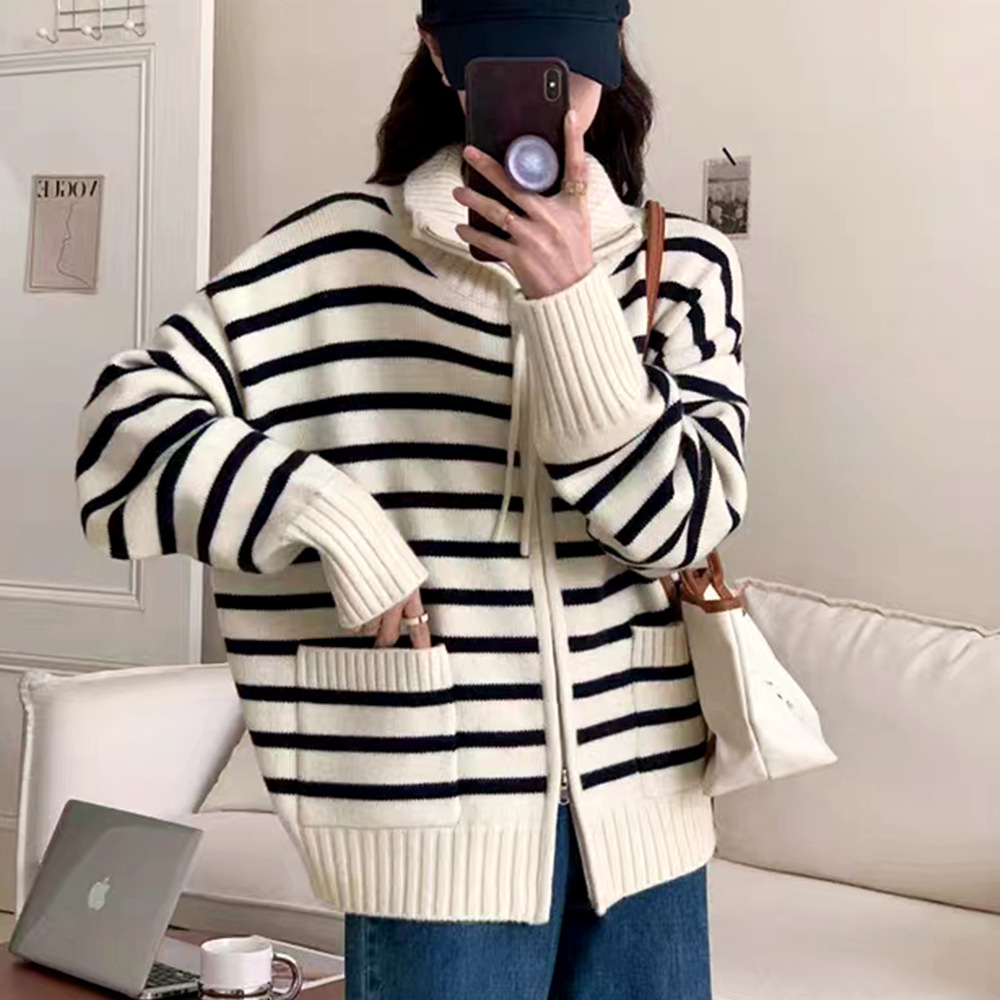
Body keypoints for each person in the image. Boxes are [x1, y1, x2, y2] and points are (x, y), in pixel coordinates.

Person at [74, 1, 748, 997]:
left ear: (612, 53)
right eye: (505, 59)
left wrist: (567, 299)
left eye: (566, 65)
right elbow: (119, 438)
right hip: (429, 820)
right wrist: (331, 518)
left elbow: (677, 527)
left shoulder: (679, 267)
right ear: (438, 52)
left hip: (651, 821)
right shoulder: (327, 260)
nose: (549, 99)